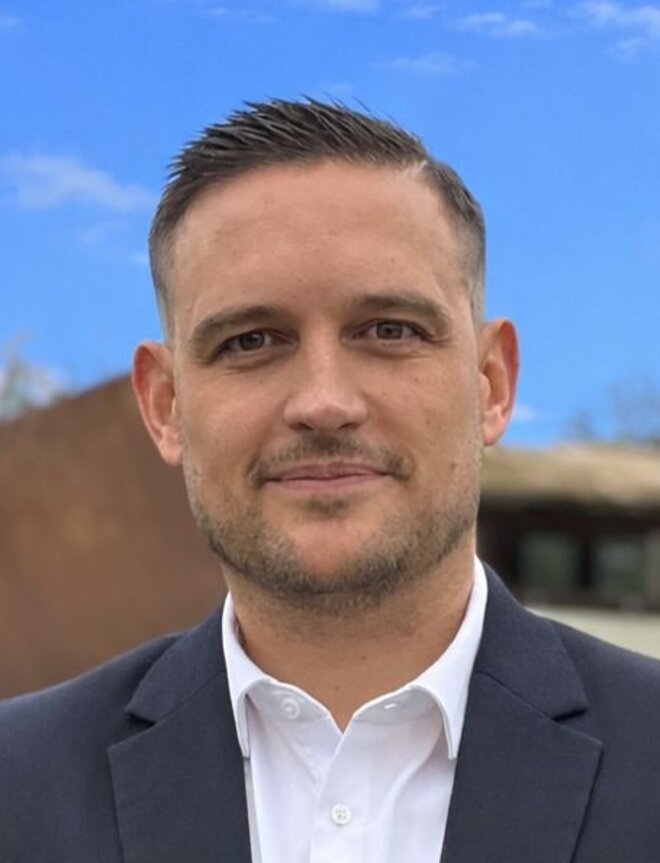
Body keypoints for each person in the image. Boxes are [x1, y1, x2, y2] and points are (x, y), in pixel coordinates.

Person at [1, 98, 659, 863]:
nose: (323, 401)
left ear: (492, 383)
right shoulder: (17, 787)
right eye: (251, 340)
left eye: (389, 330)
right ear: (165, 405)